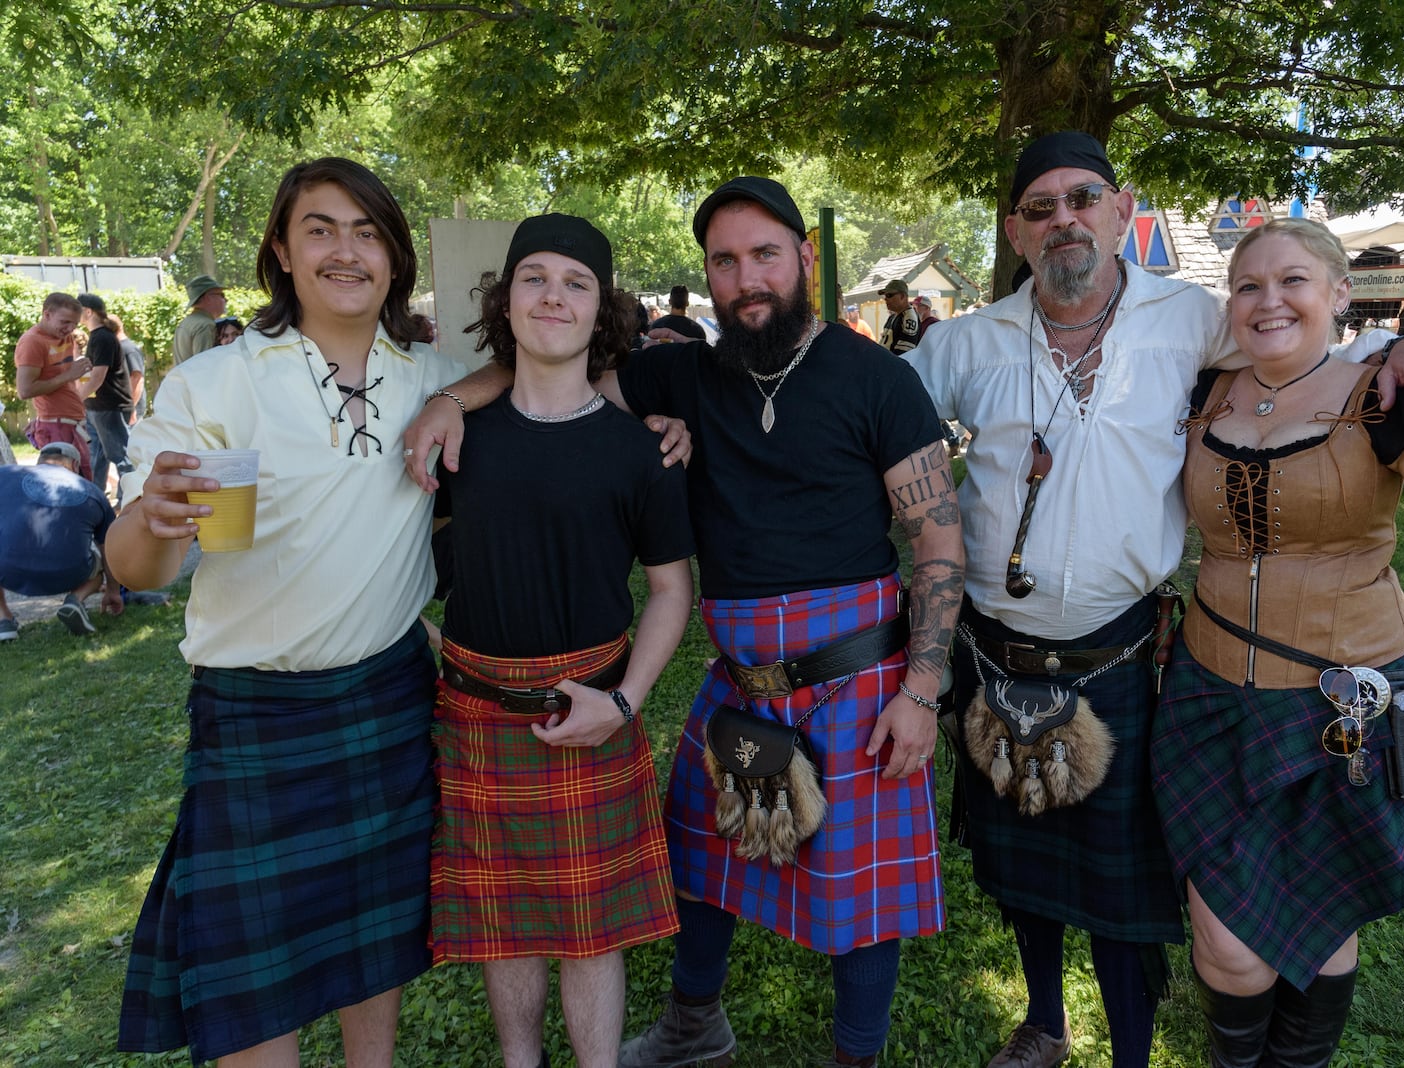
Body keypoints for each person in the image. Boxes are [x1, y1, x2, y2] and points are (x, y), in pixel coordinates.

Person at [403, 175, 964, 1068]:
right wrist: (449, 400)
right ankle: (695, 1022)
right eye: (726, 261)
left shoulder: (879, 379)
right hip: (741, 678)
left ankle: (856, 1059)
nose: (747, 278)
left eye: (765, 255)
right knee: (702, 859)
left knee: (865, 901)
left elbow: (937, 539)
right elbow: (553, 362)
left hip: (857, 676)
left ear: (805, 260)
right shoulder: (682, 371)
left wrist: (924, 691)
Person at [905, 131, 1401, 1068]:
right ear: (1016, 232)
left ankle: (1130, 1052)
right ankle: (1045, 1025)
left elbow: (1291, 333)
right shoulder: (963, 343)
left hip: (1122, 653)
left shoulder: (1193, 319)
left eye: (1083, 198)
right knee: (1021, 870)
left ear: (1122, 208)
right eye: (1041, 207)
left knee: (1124, 891)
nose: (1065, 220)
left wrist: (1396, 350)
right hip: (992, 650)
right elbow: (866, 414)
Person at [1150, 218, 1404, 1068]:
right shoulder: (1206, 390)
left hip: (1348, 707)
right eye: (1249, 285)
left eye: (1294, 281)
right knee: (1227, 940)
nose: (1269, 302)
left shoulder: (1391, 399)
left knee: (1325, 916)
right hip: (1208, 694)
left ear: (1339, 294)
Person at [109, 157, 469, 1068]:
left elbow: (517, 373)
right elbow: (135, 562)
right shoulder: (218, 382)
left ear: (392, 256)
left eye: (367, 231)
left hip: (387, 700)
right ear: (281, 249)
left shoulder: (427, 367)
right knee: (251, 980)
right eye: (321, 228)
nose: (346, 250)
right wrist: (153, 519)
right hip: (254, 712)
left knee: (372, 948)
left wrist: (455, 402)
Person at [429, 214, 694, 1068]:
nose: (554, 296)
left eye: (576, 282)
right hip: (474, 714)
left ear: (603, 312)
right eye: (534, 278)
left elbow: (669, 590)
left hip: (590, 710)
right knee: (504, 927)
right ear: (505, 302)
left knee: (589, 932)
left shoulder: (640, 450)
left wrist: (625, 701)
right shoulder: (455, 438)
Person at [0, 441, 122, 640]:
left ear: (38, 462)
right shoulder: (93, 492)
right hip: (69, 572)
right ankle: (75, 600)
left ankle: (3, 619)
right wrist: (113, 590)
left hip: (9, 572)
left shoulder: (6, 475)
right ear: (74, 466)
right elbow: (109, 547)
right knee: (97, 562)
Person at [13, 292, 93, 480]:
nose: (70, 328)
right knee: (63, 487)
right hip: (57, 427)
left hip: (73, 424)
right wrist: (68, 375)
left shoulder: (66, 337)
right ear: (47, 314)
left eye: (75, 323)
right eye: (65, 322)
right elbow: (25, 391)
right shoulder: (32, 341)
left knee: (83, 484)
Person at [77, 294, 136, 497]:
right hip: (98, 407)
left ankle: (131, 500)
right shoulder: (97, 336)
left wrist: (74, 399)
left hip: (110, 407)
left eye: (77, 310)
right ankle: (95, 498)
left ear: (88, 311)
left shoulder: (102, 337)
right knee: (97, 457)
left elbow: (97, 377)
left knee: (122, 457)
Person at [171, 274, 227, 365]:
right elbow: (204, 367)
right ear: (208, 298)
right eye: (222, 295)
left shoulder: (186, 322)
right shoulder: (205, 325)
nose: (226, 299)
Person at [106, 314, 149, 422]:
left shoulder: (129, 349)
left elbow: (137, 378)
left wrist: (131, 407)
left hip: (129, 409)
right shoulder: (119, 347)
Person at [878, 278, 923, 354]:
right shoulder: (893, 316)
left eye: (889, 295)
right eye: (885, 296)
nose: (885, 299)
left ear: (902, 296)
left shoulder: (909, 318)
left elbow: (903, 353)